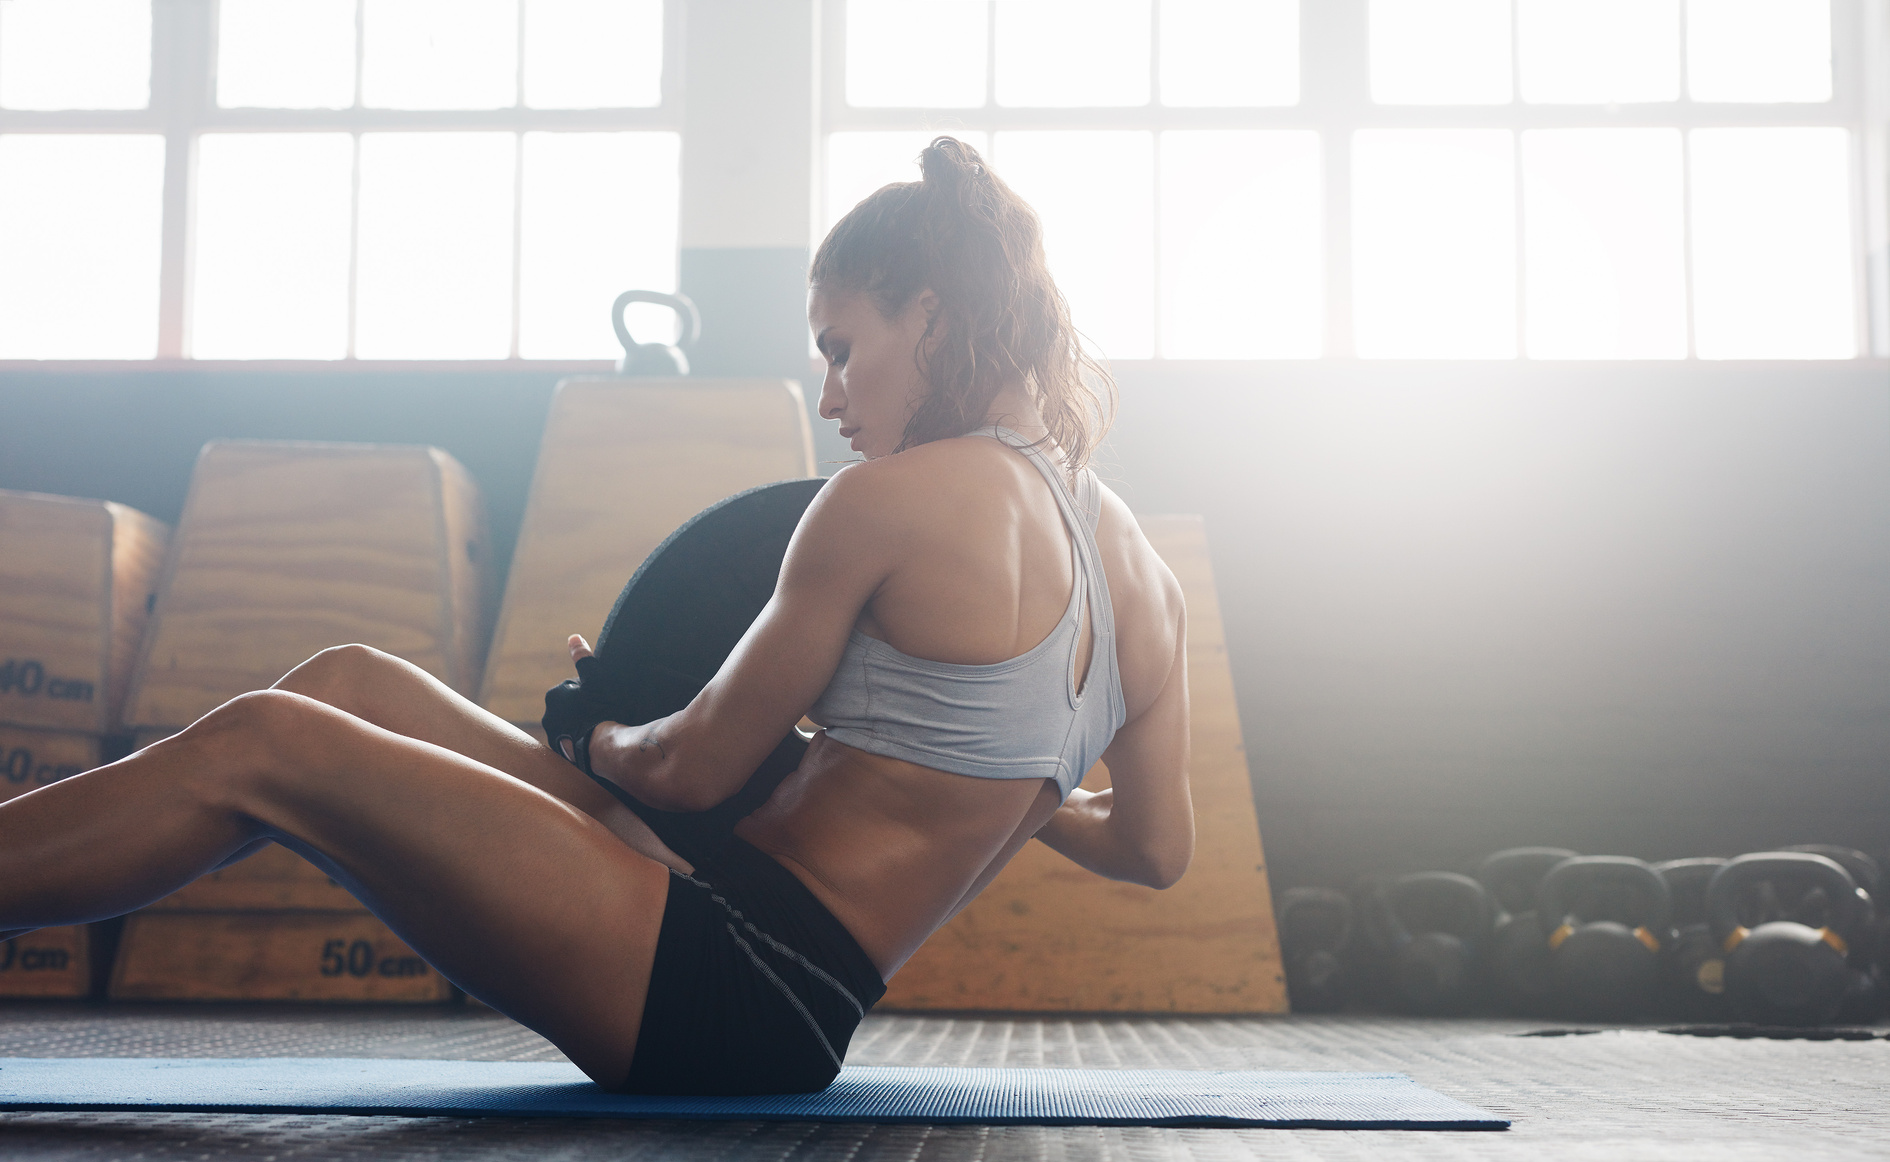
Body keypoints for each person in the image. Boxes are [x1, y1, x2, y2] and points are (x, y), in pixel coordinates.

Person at [0, 137, 1194, 1095]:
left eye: (842, 349)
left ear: (929, 315)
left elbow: (689, 766)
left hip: (733, 978)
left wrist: (596, 734)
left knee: (265, 743)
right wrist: (1008, 774)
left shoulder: (887, 499)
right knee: (349, 681)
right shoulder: (1149, 586)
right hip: (749, 945)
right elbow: (1153, 852)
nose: (831, 394)